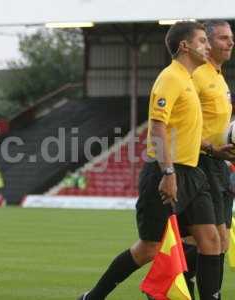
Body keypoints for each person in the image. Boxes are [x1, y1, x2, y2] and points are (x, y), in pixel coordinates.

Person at [78, 21, 222, 300]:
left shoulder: (190, 80)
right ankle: (93, 296)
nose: (209, 45)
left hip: (193, 173)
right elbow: (157, 128)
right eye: (203, 40)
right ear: (185, 46)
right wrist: (168, 173)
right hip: (166, 173)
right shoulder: (170, 77)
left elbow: (185, 131)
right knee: (149, 248)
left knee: (211, 240)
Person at [183, 19, 235, 299]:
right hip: (201, 162)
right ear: (208, 42)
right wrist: (210, 148)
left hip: (219, 163)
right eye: (223, 38)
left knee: (220, 240)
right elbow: (182, 122)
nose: (230, 42)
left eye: (231, 38)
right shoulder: (198, 75)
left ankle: (181, 285)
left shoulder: (219, 76)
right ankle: (177, 285)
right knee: (208, 240)